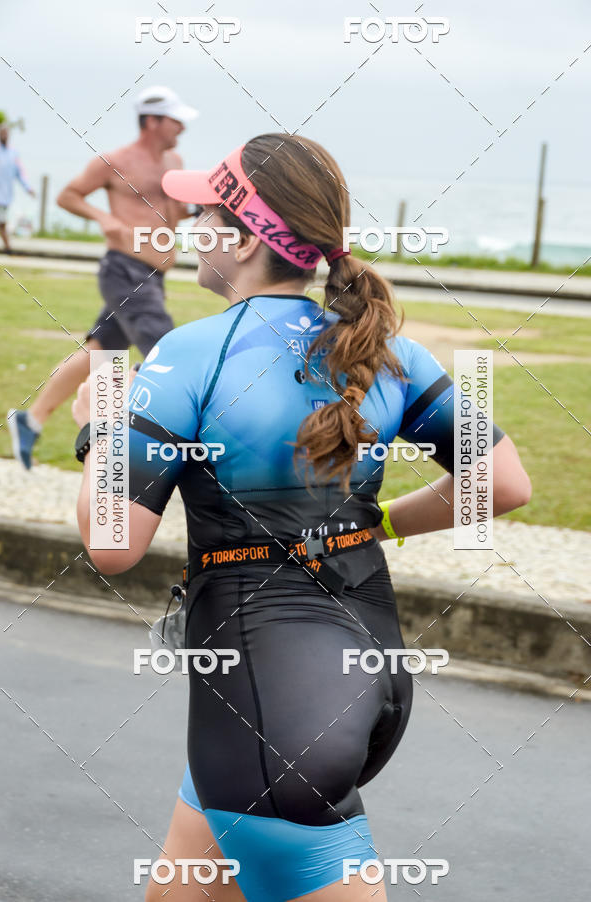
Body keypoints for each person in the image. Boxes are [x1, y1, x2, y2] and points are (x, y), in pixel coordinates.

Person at [71, 134, 532, 901]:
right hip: (358, 683)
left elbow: (113, 544)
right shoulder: (387, 352)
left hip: (274, 705)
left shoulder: (192, 355)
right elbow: (503, 484)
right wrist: (374, 527)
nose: (189, 230)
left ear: (245, 238)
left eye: (203, 216)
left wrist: (99, 433)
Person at [7, 86, 197, 469]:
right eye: (176, 120)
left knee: (99, 354)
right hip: (124, 269)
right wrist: (105, 219)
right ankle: (189, 449)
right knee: (163, 348)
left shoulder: (174, 160)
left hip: (153, 272)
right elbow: (68, 196)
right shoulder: (114, 161)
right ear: (152, 121)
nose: (182, 128)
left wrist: (204, 208)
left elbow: (173, 214)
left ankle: (31, 420)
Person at [0, 124, 35, 252]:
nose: (4, 135)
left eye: (6, 133)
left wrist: (28, 188)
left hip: (6, 196)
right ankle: (8, 249)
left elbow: (20, 173)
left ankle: (7, 248)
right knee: (1, 223)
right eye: (2, 133)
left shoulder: (13, 154)